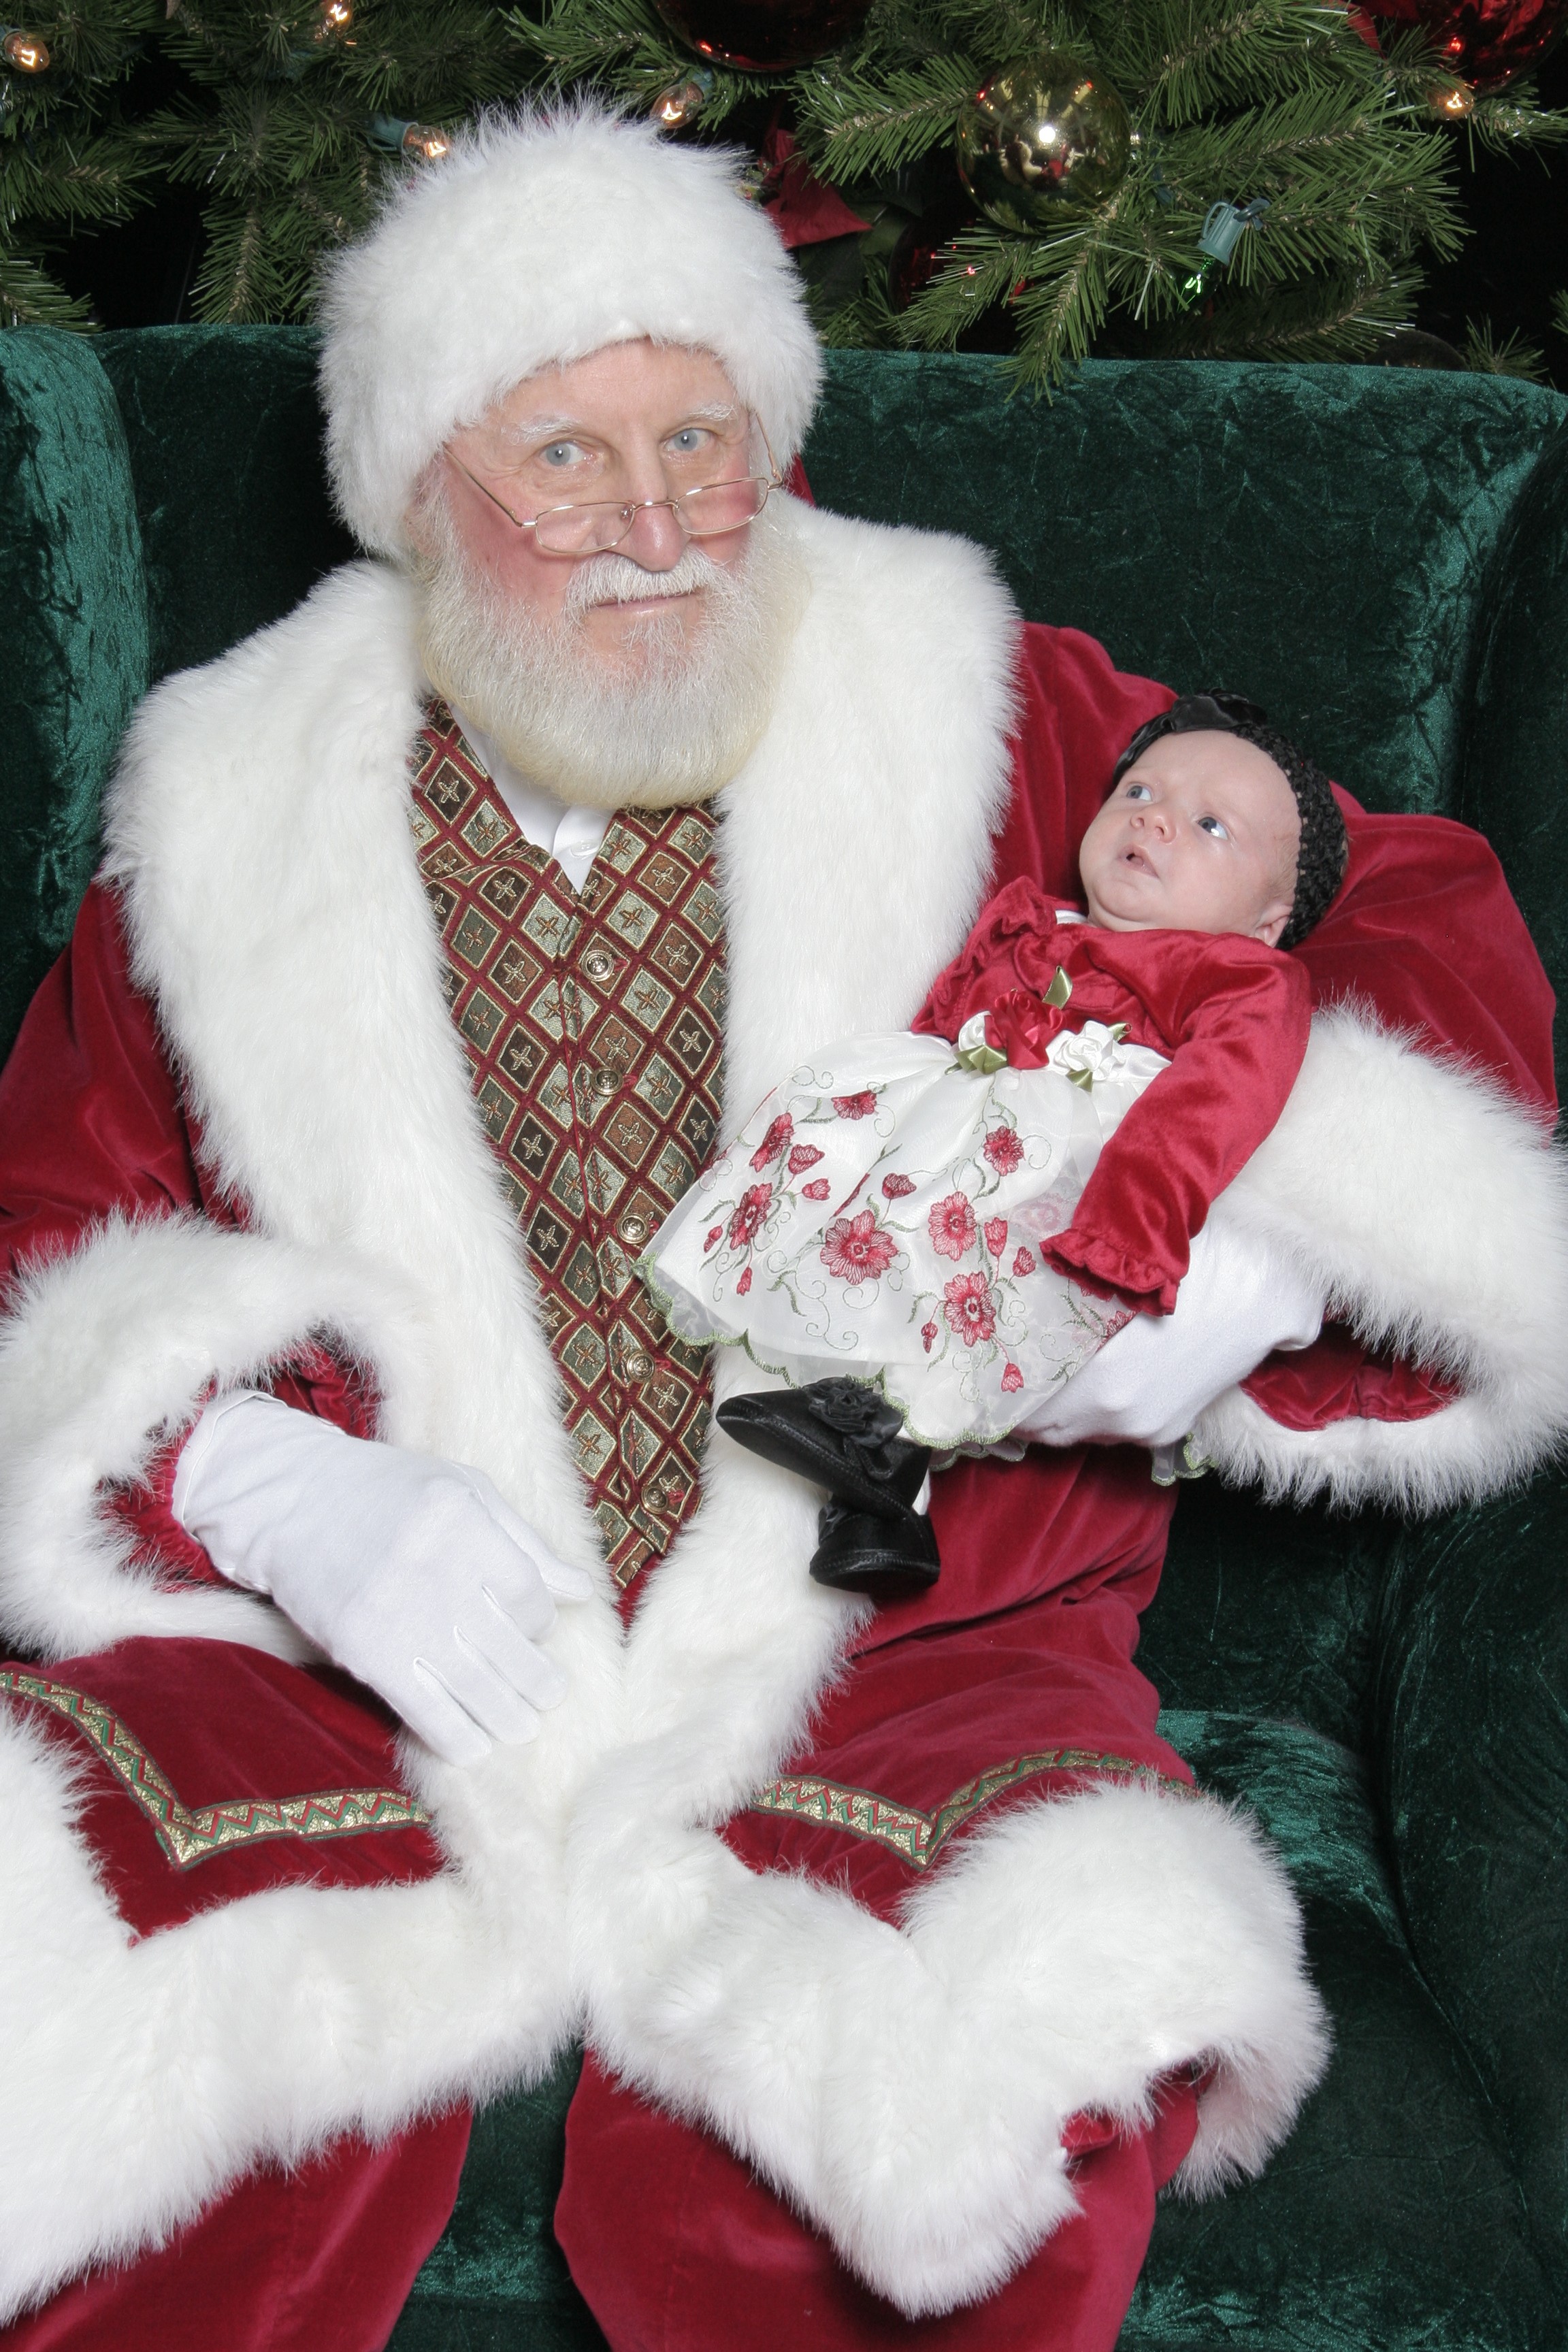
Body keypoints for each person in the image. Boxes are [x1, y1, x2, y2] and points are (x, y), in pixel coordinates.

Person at [0, 103, 1563, 2352]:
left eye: (699, 440)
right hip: (356, 1679)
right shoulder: (231, 811)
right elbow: (51, 1235)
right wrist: (265, 1482)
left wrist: (1255, 1258)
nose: (651, 522)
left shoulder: (984, 708)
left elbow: (1389, 898)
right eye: (564, 455)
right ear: (422, 488)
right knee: (95, 2084)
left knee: (919, 2159)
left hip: (906, 1643)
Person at [646, 694, 1345, 1591]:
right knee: (868, 1221)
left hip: (1081, 1153)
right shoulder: (1031, 922)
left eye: (1210, 825)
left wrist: (1135, 1216)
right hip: (968, 1120)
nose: (1156, 818)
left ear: (1266, 919)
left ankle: (879, 1461)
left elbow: (1221, 1098)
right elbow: (944, 1022)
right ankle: (881, 1492)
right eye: (1140, 790)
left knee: (975, 1286)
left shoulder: (1244, 977)